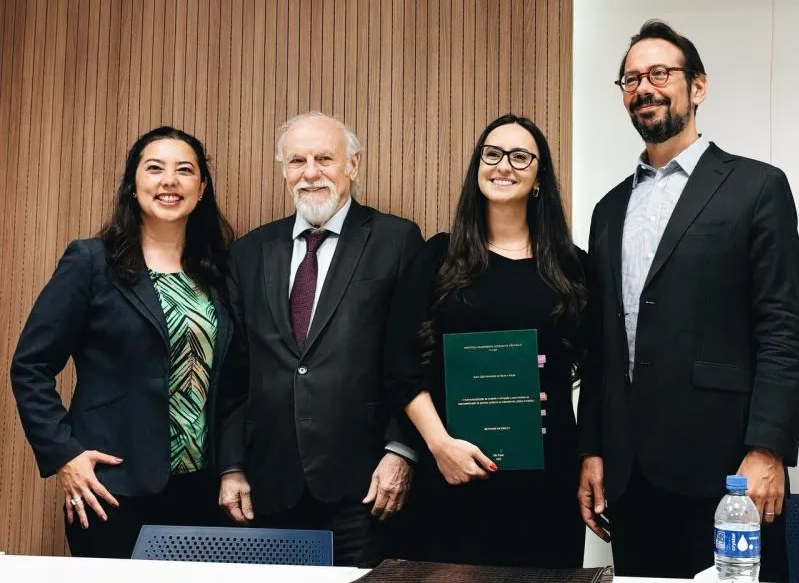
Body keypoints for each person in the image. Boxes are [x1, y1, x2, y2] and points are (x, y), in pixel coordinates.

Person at [577, 20, 799, 580]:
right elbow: (602, 346)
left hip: (728, 473)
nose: (643, 87)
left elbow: (780, 328)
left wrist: (768, 448)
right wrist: (592, 451)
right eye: (630, 78)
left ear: (697, 87)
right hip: (631, 478)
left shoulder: (756, 187)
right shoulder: (608, 210)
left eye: (660, 72)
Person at [10, 126, 236, 558]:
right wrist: (65, 455)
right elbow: (30, 367)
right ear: (133, 185)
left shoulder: (218, 273)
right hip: (110, 488)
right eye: (155, 169)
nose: (169, 181)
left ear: (202, 188)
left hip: (200, 488)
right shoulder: (92, 262)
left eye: (184, 170)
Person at [216, 111, 423, 567]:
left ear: (354, 163)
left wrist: (401, 450)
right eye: (297, 161)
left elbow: (415, 357)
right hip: (269, 488)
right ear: (284, 171)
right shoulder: (249, 253)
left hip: (366, 488)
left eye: (324, 158)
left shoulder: (396, 240)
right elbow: (234, 374)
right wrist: (231, 466)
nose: (310, 173)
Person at [385, 113, 588, 568]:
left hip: (547, 477)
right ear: (478, 167)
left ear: (539, 178)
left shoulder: (573, 268)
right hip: (452, 470)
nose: (504, 166)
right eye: (492, 154)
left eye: (520, 157)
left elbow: (597, 372)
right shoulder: (436, 257)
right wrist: (439, 446)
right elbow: (400, 366)